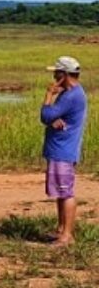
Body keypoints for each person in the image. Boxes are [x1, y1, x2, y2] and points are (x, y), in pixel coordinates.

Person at [41, 56, 87, 246]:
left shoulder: (70, 96)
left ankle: (67, 235)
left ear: (64, 75)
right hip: (61, 149)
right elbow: (52, 117)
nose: (54, 77)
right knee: (61, 191)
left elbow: (45, 115)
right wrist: (53, 118)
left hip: (63, 150)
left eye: (56, 73)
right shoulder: (70, 93)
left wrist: (49, 95)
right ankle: (61, 230)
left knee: (66, 192)